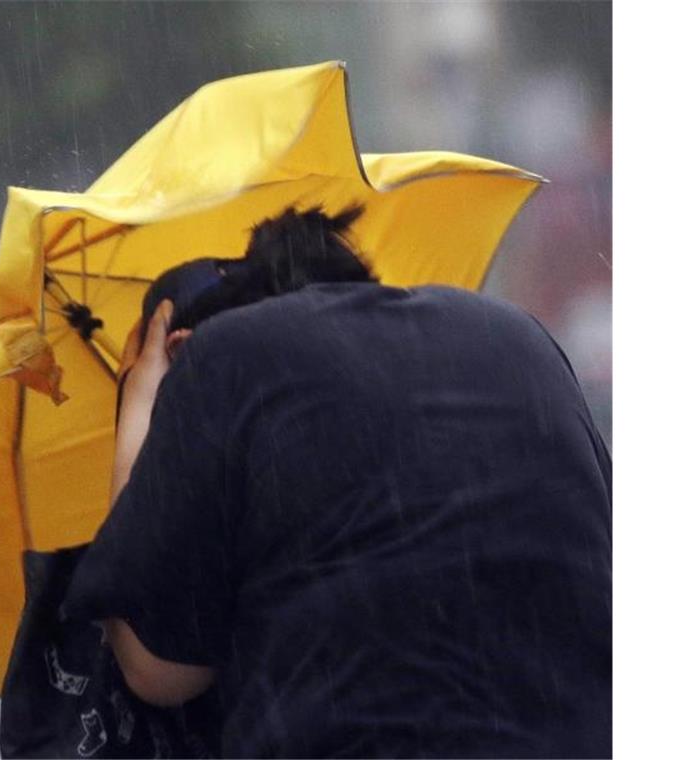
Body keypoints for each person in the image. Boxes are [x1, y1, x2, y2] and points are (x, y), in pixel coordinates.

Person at [61, 206, 612, 758]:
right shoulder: (516, 335)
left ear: (178, 344)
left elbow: (155, 669)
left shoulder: (223, 355)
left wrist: (138, 405)